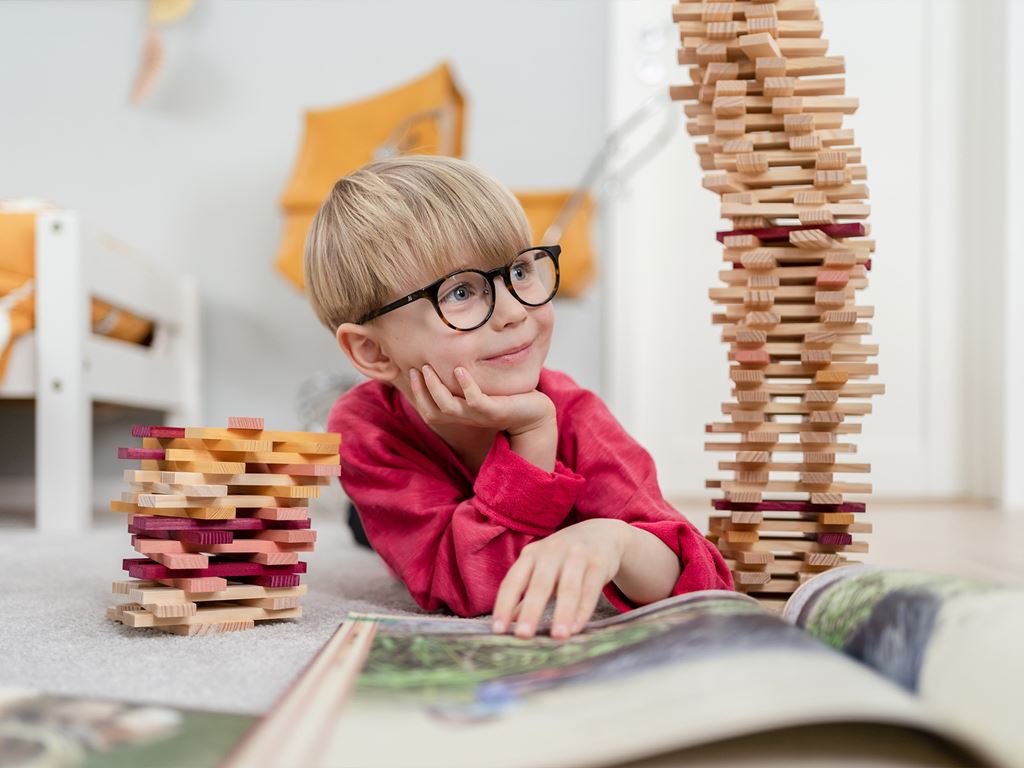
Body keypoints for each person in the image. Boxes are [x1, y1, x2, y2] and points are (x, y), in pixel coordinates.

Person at [304, 155, 733, 641]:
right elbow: (467, 589)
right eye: (461, 292)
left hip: (463, 503)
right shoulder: (367, 430)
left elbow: (704, 581)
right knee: (363, 528)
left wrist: (617, 540)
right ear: (374, 350)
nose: (512, 311)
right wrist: (531, 434)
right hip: (406, 508)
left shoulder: (575, 414)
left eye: (519, 272)